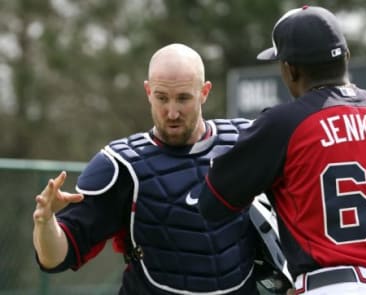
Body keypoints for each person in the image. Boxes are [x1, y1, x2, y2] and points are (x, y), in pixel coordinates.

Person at [198, 6, 366, 295]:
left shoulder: (284, 124)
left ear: (289, 68)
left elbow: (212, 203)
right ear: (346, 57)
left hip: (330, 285)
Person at [33, 43, 286, 294]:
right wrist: (45, 223)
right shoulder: (121, 165)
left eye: (183, 98)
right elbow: (56, 258)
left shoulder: (247, 143)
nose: (172, 112)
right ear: (148, 91)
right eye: (162, 98)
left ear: (204, 92)